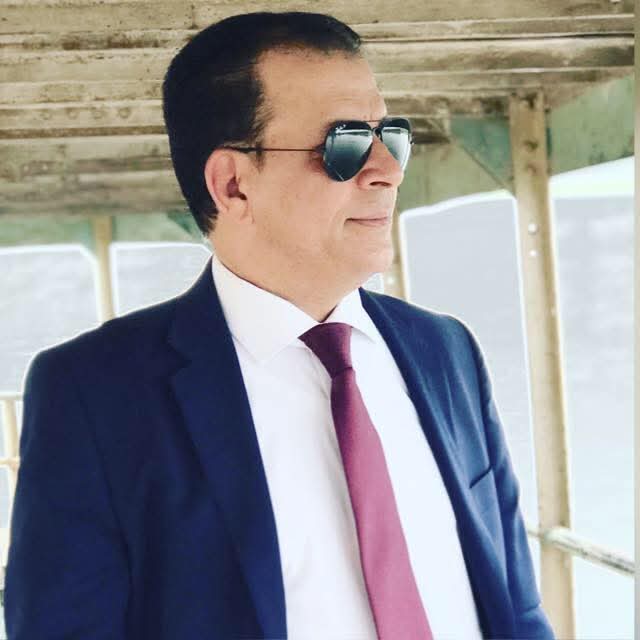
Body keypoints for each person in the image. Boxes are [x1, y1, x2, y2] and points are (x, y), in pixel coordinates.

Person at [4, 11, 554, 640]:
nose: (388, 169)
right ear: (233, 185)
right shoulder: (96, 394)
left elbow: (517, 612)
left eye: (391, 135)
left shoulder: (446, 352)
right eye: (346, 143)